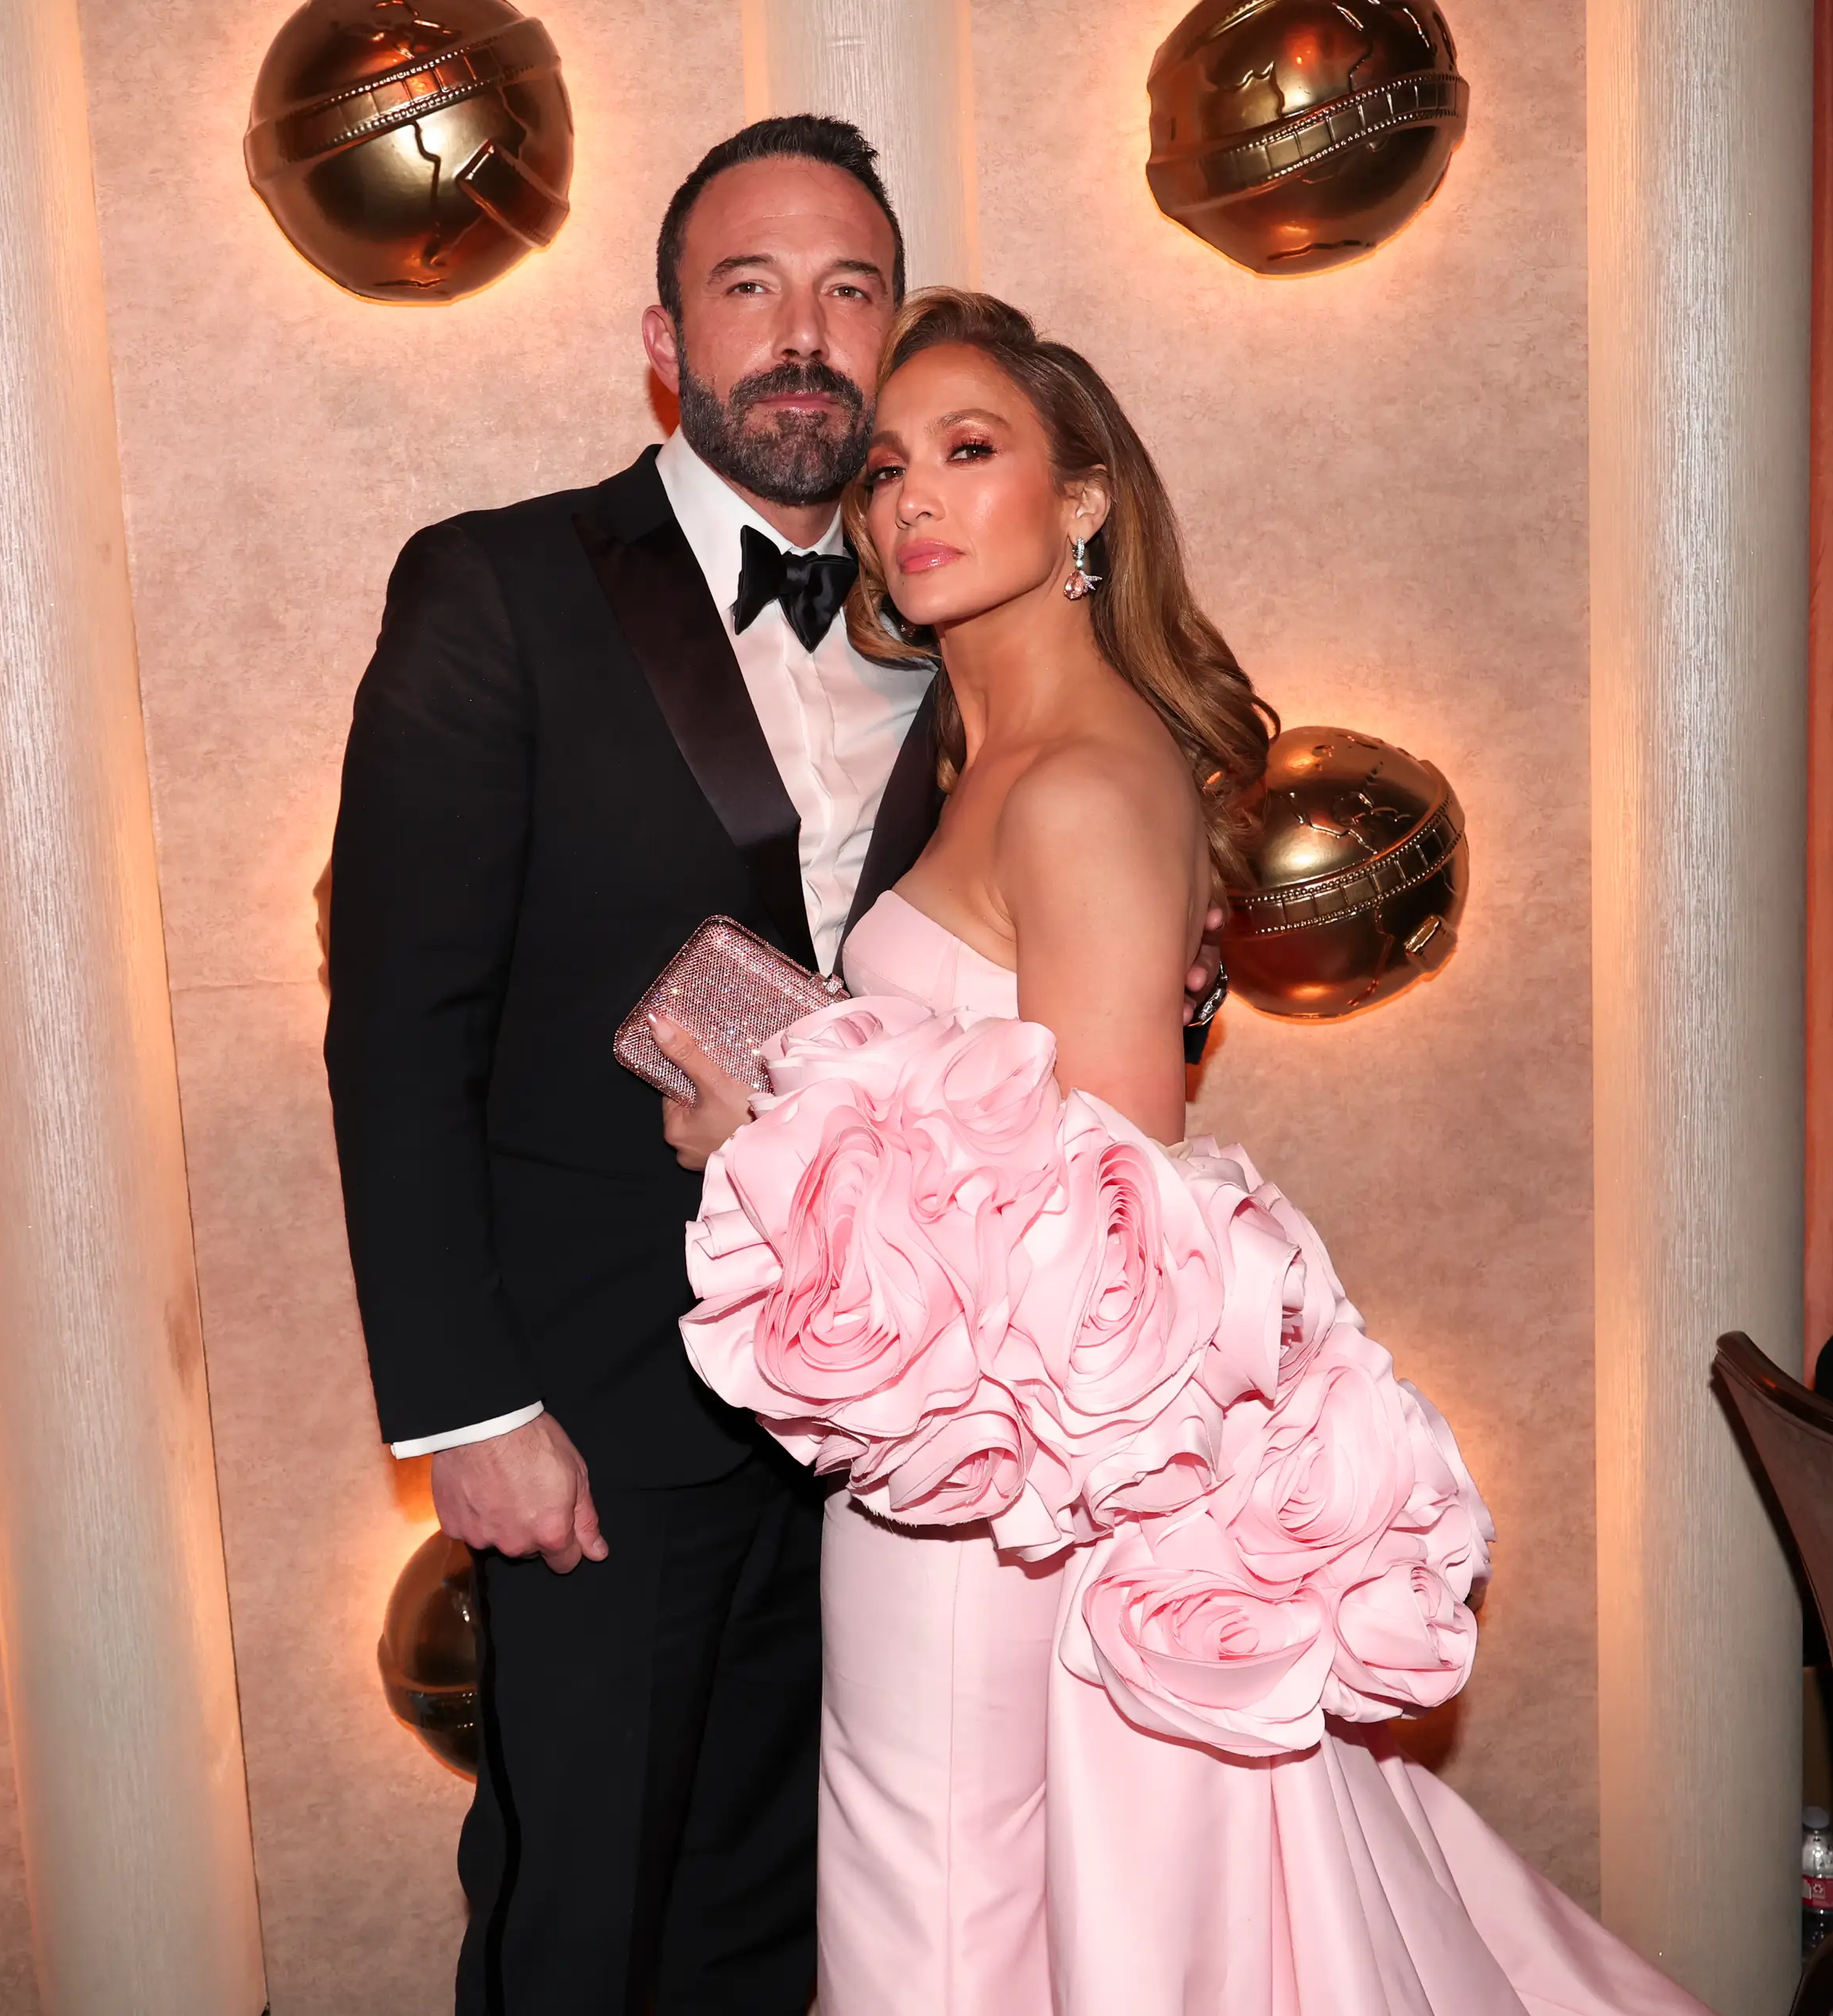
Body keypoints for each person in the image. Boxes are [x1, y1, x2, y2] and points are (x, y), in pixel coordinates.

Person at [666, 290, 1711, 2014]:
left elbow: (1104, 1227)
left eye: (971, 451)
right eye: (884, 471)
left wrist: (773, 1133)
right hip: (968, 1459)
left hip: (992, 1488)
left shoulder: (1074, 780)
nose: (910, 500)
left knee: (939, 1912)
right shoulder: (987, 750)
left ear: (1084, 500)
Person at [332, 117, 1223, 2014]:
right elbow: (397, 1021)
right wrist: (465, 1405)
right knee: (582, 1912)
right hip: (592, 1417)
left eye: (850, 290)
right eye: (751, 287)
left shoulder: (962, 643)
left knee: (800, 1916)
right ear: (666, 340)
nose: (805, 332)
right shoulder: (498, 588)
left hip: (892, 1439)